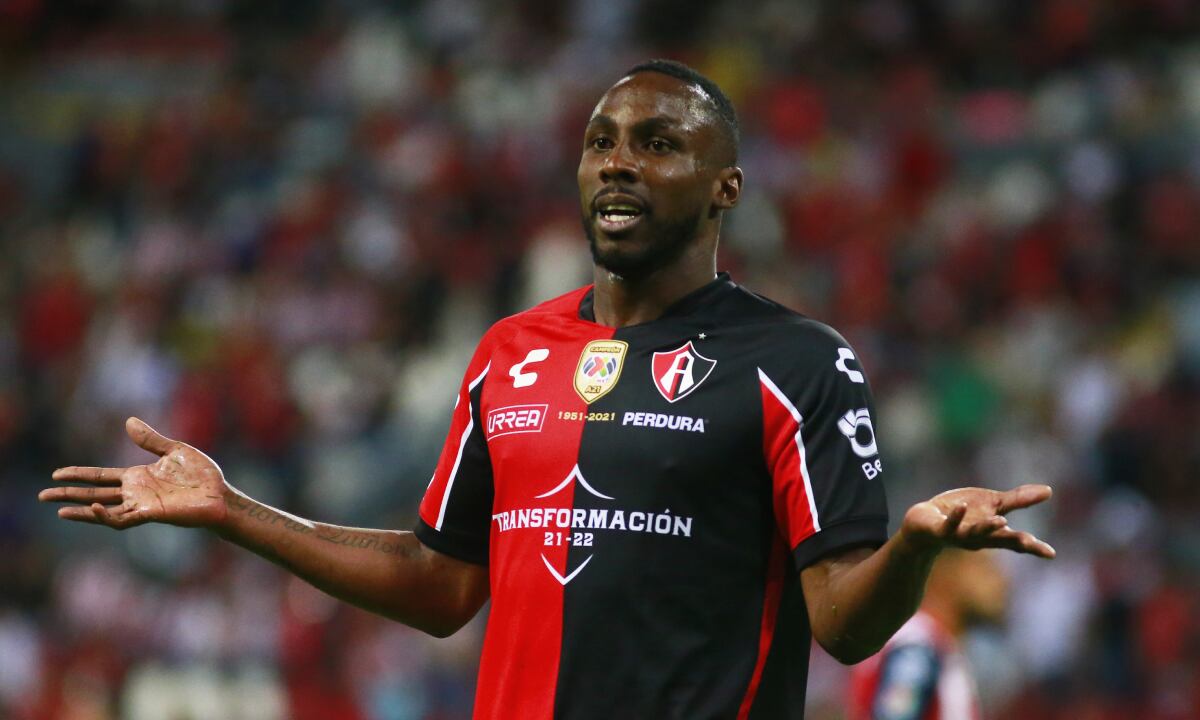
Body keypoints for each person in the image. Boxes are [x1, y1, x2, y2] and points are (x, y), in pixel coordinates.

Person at [39, 59, 1054, 719]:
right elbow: (442, 584)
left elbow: (842, 625)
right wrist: (233, 511)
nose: (619, 165)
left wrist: (914, 545)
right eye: (601, 143)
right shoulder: (507, 351)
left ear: (725, 188)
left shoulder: (796, 361)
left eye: (659, 146)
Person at [847, 549, 1008, 720]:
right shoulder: (917, 648)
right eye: (985, 567)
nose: (1002, 581)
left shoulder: (936, 646)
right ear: (946, 571)